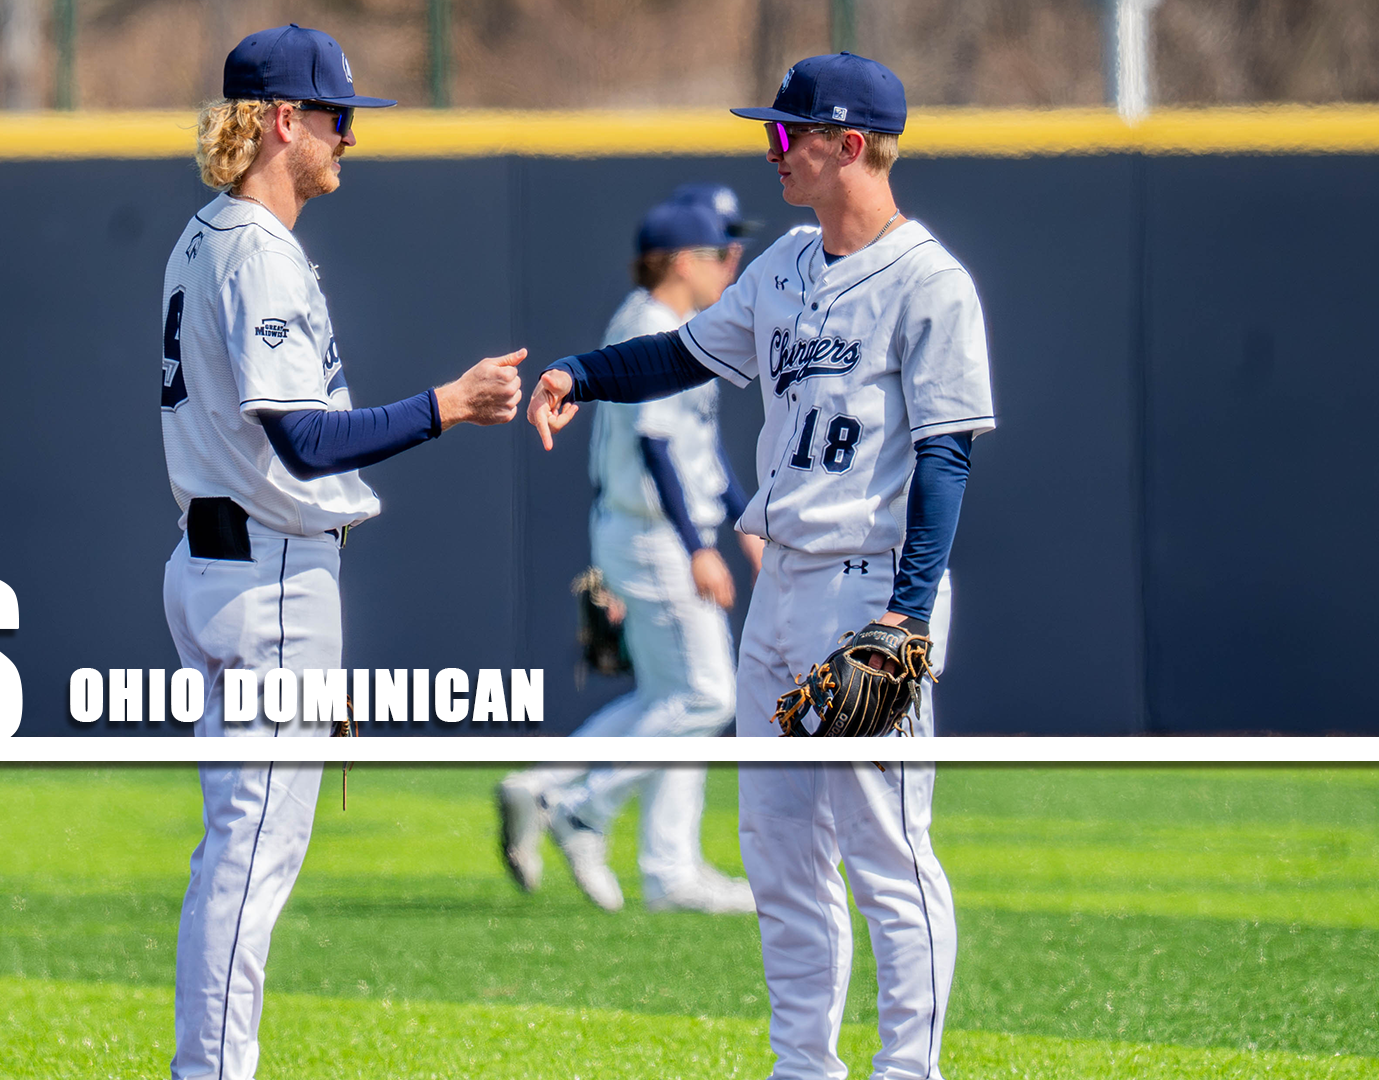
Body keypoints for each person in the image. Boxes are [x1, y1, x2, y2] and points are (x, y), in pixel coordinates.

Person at [525, 52, 994, 1080]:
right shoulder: (784, 264)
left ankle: (908, 1069)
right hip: (780, 589)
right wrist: (580, 374)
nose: (771, 149)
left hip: (870, 587)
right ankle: (802, 1066)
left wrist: (907, 617)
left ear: (850, 145)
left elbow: (945, 459)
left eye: (788, 133)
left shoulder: (930, 283)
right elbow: (683, 353)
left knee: (885, 852)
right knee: (780, 852)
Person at [159, 24, 523, 1080]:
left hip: (233, 564)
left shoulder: (205, 236)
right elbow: (306, 442)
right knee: (252, 854)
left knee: (242, 847)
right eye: (336, 116)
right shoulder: (255, 251)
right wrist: (449, 405)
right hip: (267, 573)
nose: (349, 137)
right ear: (282, 120)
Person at [495, 192, 765, 915]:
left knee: (670, 700)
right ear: (679, 261)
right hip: (654, 533)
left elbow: (699, 446)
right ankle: (581, 807)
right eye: (720, 252)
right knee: (706, 695)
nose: (732, 264)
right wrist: (697, 546)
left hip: (644, 529)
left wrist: (744, 520)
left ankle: (649, 855)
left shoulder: (671, 324)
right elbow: (655, 445)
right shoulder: (651, 325)